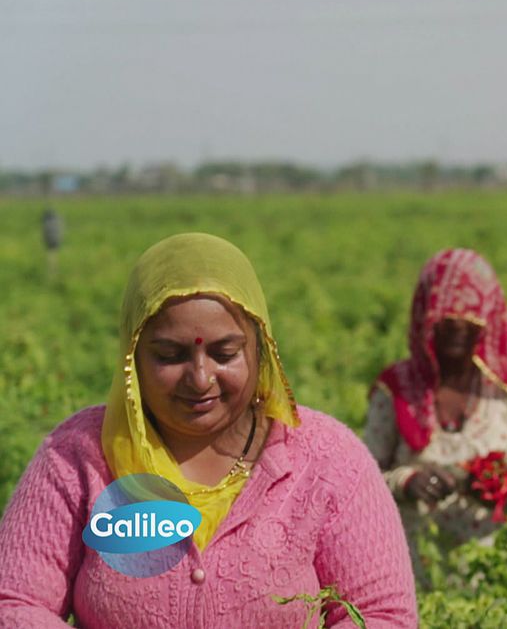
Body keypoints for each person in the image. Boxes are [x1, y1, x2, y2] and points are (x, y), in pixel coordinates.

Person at [0, 233, 418, 628]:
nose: (200, 378)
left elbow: (382, 614)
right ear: (132, 358)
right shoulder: (77, 455)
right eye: (170, 355)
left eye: (224, 353)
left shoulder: (328, 461)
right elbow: (15, 602)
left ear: (261, 349)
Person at [364, 248, 507, 583]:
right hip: (418, 561)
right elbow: (364, 474)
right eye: (445, 312)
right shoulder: (396, 389)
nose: (457, 323)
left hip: (505, 558)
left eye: (470, 312)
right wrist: (407, 482)